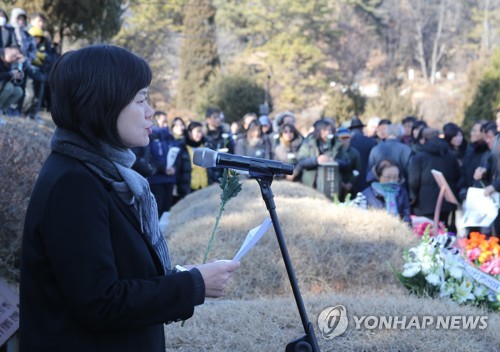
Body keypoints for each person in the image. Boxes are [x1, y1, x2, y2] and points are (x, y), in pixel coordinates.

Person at [20, 44, 239, 352]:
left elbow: (116, 272)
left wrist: (186, 276)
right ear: (102, 105)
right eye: (140, 99)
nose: (150, 111)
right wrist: (194, 285)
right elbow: (101, 302)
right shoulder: (74, 183)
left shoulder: (102, 173)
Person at [362, 159, 411, 226]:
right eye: (388, 177)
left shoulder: (401, 192)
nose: (392, 180)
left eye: (395, 177)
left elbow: (406, 215)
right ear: (379, 176)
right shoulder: (367, 194)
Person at [0, 46, 24, 112]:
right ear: (7, 49)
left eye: (16, 57)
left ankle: (2, 110)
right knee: (9, 87)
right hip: (2, 85)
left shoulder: (11, 63)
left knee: (18, 91)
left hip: (3, 85)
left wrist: (17, 76)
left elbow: (15, 81)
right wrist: (9, 74)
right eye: (13, 55)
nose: (14, 58)